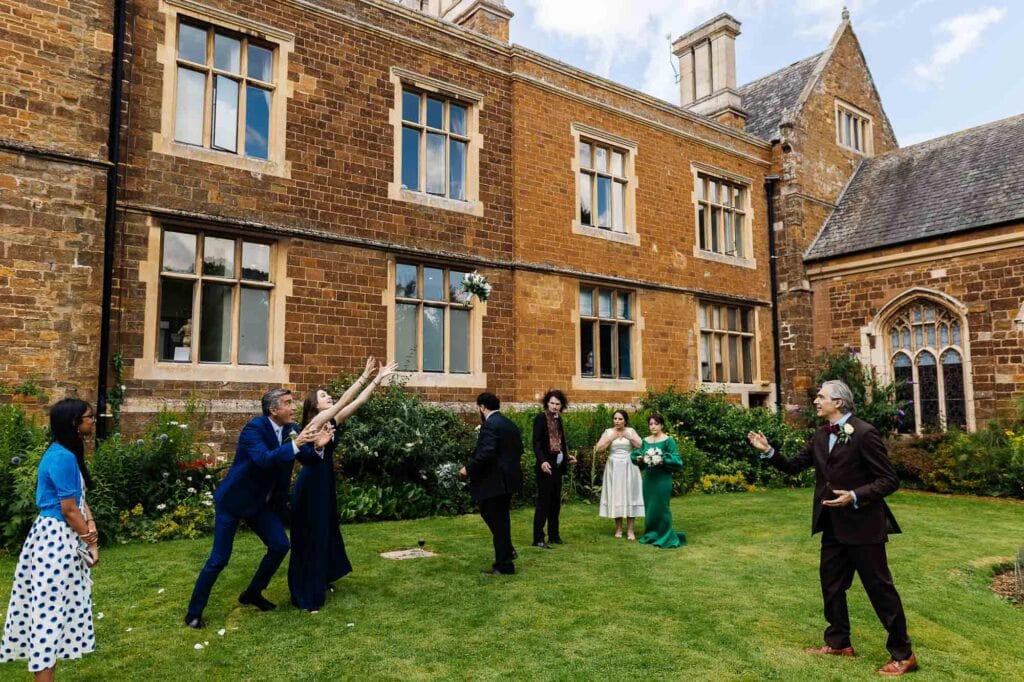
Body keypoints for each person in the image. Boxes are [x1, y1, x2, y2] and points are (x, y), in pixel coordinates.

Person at [747, 380, 917, 677]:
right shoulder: (820, 435)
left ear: (838, 402)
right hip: (832, 527)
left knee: (880, 590)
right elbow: (793, 466)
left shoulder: (864, 433)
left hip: (864, 526)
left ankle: (903, 654)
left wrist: (853, 496)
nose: (815, 401)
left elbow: (889, 480)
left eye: (821, 396)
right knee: (832, 586)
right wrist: (768, 451)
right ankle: (839, 642)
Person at [184, 389, 327, 628]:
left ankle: (252, 593)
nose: (293, 408)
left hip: (260, 504)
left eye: (293, 403)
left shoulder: (291, 431)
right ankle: (193, 613)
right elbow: (264, 458)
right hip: (233, 502)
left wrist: (319, 447)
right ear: (273, 410)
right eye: (288, 404)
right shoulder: (255, 429)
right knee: (219, 559)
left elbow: (306, 457)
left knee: (280, 545)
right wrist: (296, 444)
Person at [289, 358, 397, 612]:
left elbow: (358, 403)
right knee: (311, 535)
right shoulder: (312, 425)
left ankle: (322, 577)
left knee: (326, 532)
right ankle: (307, 592)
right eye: (324, 395)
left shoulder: (329, 422)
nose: (329, 397)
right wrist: (362, 376)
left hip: (324, 484)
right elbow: (343, 402)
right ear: (314, 405)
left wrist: (377, 380)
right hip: (310, 487)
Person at [1, 398, 99, 680]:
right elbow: (68, 510)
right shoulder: (62, 457)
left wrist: (90, 523)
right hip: (55, 542)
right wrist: (91, 543)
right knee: (48, 620)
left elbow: (79, 499)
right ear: (74, 423)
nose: (93, 420)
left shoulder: (66, 452)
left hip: (57, 539)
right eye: (88, 417)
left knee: (53, 617)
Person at [459, 392, 523, 575]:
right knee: (501, 519)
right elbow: (518, 449)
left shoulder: (490, 425)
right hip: (508, 480)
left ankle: (504, 562)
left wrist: (467, 469)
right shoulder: (509, 424)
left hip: (494, 481)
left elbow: (486, 453)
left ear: (482, 407)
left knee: (494, 517)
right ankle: (506, 556)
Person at [630, 413, 686, 549]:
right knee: (650, 508)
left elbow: (677, 460)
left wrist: (662, 460)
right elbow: (638, 455)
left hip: (662, 479)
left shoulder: (668, 440)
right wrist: (639, 458)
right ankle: (651, 534)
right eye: (650, 424)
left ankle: (665, 535)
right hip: (649, 479)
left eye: (656, 424)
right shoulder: (646, 441)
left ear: (661, 425)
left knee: (662, 507)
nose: (653, 426)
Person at [530, 389, 576, 548]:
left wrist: (568, 456)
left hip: (557, 467)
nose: (554, 406)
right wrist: (542, 461)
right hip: (546, 467)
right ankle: (538, 538)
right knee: (543, 502)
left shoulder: (559, 419)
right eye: (552, 403)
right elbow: (536, 444)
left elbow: (562, 442)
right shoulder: (540, 419)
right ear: (547, 403)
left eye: (557, 404)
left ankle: (554, 535)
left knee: (555, 503)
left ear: (561, 405)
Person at [596, 409, 644, 539]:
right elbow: (598, 449)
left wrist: (631, 437)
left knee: (630, 495)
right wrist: (610, 439)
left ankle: (630, 530)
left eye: (620, 419)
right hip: (614, 466)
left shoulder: (631, 431)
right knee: (616, 496)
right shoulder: (608, 432)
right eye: (615, 418)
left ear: (625, 421)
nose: (617, 421)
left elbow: (641, 446)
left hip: (629, 465)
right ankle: (618, 529)